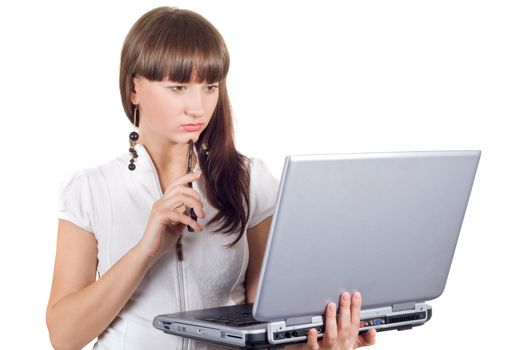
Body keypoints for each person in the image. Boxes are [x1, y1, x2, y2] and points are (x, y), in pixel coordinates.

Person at [45, 6, 376, 350]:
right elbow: (64, 336)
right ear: (134, 89)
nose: (198, 107)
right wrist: (146, 250)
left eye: (209, 86)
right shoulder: (90, 189)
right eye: (177, 87)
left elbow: (270, 325)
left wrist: (318, 345)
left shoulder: (249, 181)